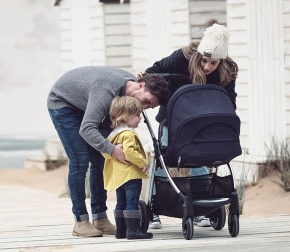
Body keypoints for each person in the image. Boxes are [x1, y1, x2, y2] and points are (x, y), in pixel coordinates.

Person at [47, 66, 170, 238]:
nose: (144, 108)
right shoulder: (106, 91)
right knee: (80, 161)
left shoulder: (128, 91)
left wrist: (112, 151)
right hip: (64, 104)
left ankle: (100, 219)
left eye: (149, 107)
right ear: (140, 85)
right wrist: (112, 150)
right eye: (147, 101)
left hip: (87, 104)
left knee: (99, 159)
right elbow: (87, 128)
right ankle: (81, 222)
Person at [137, 23, 239, 229]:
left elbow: (230, 99)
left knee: (201, 157)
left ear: (221, 61)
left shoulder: (227, 71)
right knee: (164, 158)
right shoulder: (182, 57)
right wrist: (144, 75)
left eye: (213, 63)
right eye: (204, 60)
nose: (207, 67)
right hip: (173, 116)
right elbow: (155, 71)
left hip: (204, 122)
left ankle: (200, 209)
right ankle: (155, 206)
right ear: (199, 54)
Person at [102, 96, 153, 240]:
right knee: (132, 202)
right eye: (137, 115)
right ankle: (133, 231)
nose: (140, 119)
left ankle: (121, 231)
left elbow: (105, 153)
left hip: (119, 176)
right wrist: (142, 162)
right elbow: (130, 152)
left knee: (121, 202)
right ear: (126, 117)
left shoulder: (112, 135)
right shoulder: (128, 134)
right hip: (131, 174)